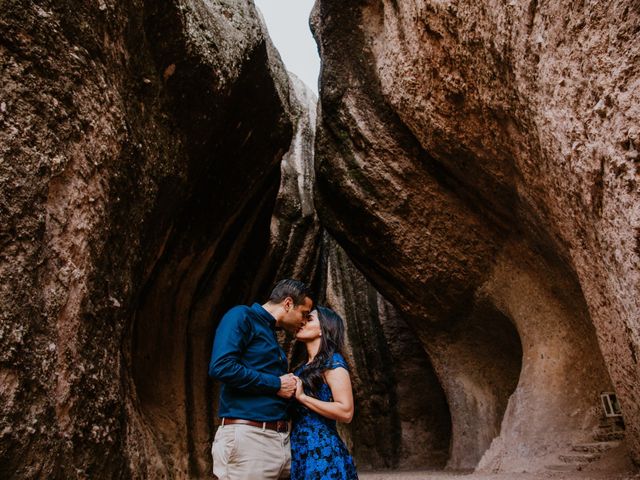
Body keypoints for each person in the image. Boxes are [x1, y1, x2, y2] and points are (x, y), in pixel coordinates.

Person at [208, 279, 314, 480]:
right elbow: (221, 366)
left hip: (278, 440)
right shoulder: (241, 316)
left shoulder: (270, 332)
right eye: (304, 314)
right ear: (288, 303)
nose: (304, 321)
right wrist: (276, 384)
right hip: (249, 439)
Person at [290, 306, 358, 480]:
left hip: (323, 452)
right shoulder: (301, 368)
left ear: (324, 329)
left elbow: (346, 412)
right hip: (298, 449)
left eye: (310, 319)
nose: (302, 321)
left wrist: (303, 398)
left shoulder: (333, 362)